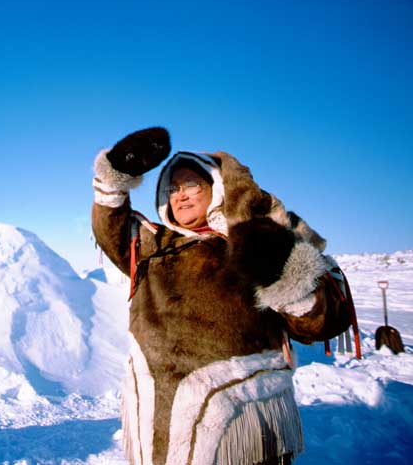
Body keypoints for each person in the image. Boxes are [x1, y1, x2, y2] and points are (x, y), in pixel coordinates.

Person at [91, 128, 350, 465]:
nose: (180, 196)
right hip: (158, 416)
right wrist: (114, 177)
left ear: (217, 188)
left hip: (239, 421)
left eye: (191, 185)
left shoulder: (258, 237)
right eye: (172, 188)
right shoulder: (155, 245)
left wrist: (283, 273)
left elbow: (322, 323)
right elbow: (110, 230)